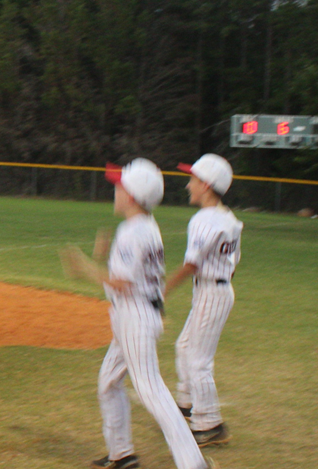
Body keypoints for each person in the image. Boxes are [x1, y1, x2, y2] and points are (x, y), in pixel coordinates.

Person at [60, 159, 217, 469]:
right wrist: (102, 257)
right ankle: (122, 454)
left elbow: (122, 283)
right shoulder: (142, 225)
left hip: (135, 316)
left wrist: (86, 268)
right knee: (108, 381)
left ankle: (194, 464)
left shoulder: (134, 231)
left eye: (119, 186)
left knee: (152, 391)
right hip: (135, 314)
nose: (115, 190)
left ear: (131, 196)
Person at [165, 154, 240, 447]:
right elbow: (233, 261)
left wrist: (162, 291)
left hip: (212, 291)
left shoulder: (204, 220)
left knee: (198, 361)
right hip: (217, 289)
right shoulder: (228, 217)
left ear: (206, 186)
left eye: (193, 179)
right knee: (183, 346)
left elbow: (191, 265)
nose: (188, 185)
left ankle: (209, 424)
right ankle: (186, 407)